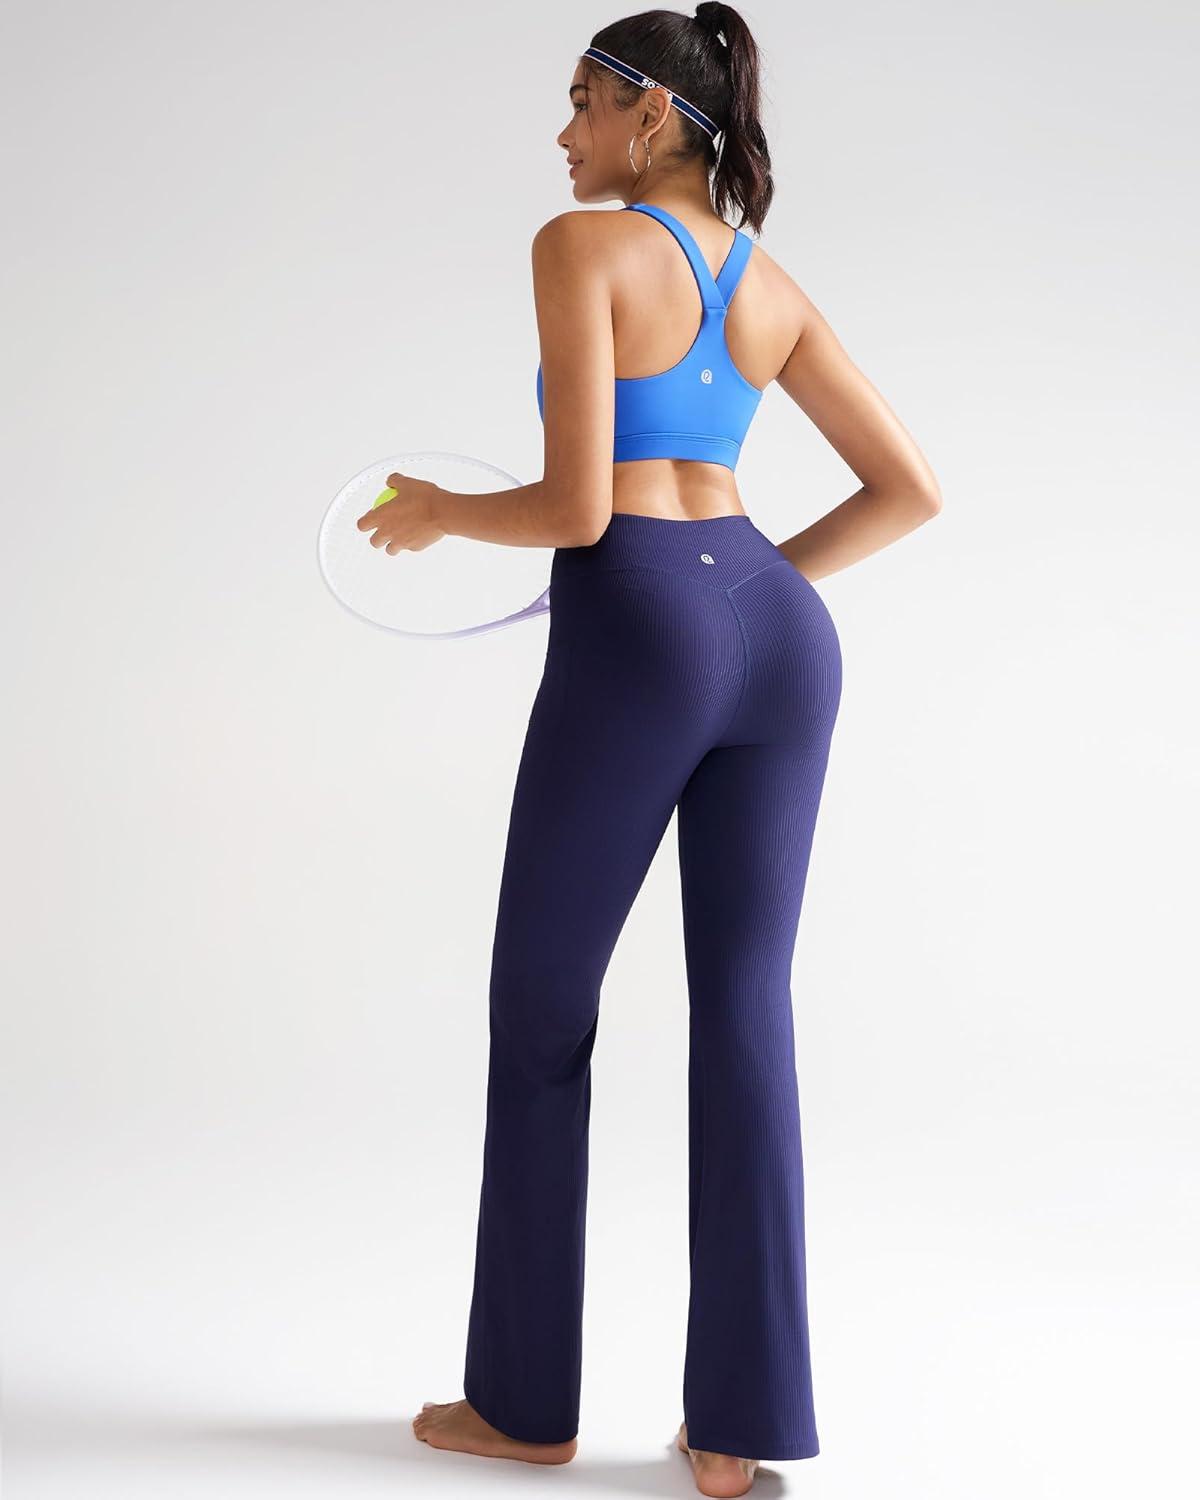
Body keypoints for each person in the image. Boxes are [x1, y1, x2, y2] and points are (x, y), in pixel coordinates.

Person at [365, 6, 941, 1495]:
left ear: (655, 117)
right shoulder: (771, 285)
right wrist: (742, 597)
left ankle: (522, 1404)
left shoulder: (583, 251)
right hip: (780, 633)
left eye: (583, 104)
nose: (564, 136)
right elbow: (911, 488)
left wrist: (437, 511)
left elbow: (574, 508)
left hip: (636, 625)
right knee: (747, 1006)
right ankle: (737, 1431)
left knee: (542, 1007)